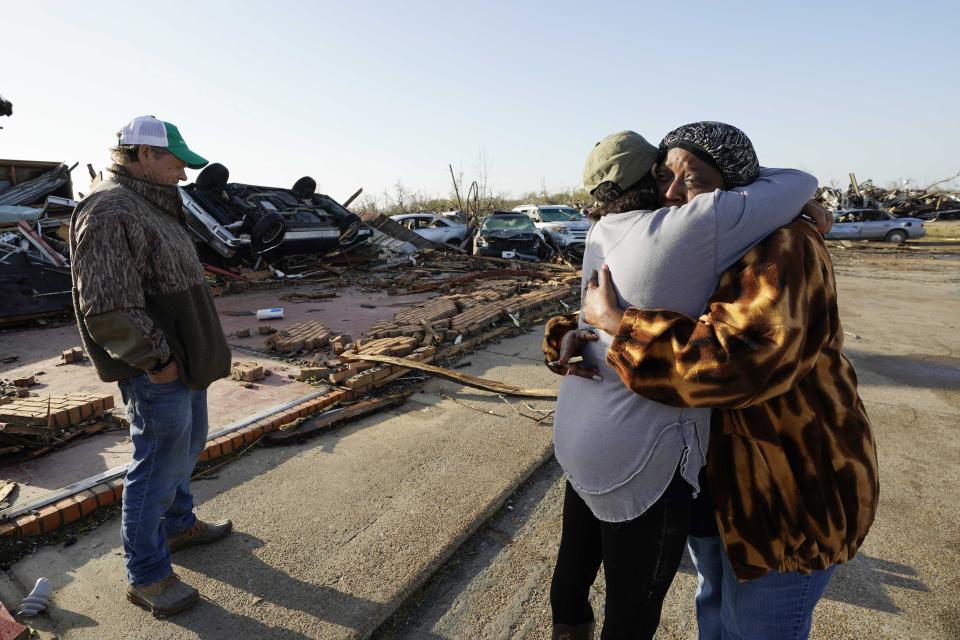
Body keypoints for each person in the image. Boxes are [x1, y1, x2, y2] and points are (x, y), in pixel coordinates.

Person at [547, 122, 878, 640]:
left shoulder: (784, 246)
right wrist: (575, 335)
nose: (673, 195)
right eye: (664, 177)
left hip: (785, 493)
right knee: (716, 616)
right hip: (717, 486)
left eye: (695, 182)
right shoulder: (692, 230)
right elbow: (659, 299)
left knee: (755, 629)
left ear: (736, 186)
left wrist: (619, 327)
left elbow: (736, 366)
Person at [70, 115, 234, 615]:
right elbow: (107, 305)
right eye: (177, 163)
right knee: (156, 468)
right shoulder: (110, 208)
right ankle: (147, 575)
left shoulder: (153, 204)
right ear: (145, 155)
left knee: (187, 447)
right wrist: (156, 360)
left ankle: (179, 525)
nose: (184, 175)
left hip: (187, 363)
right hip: (159, 369)